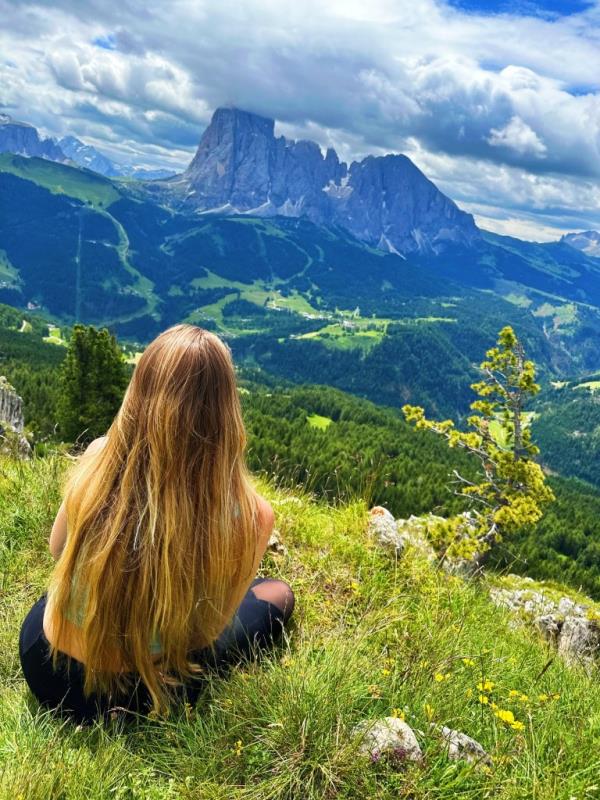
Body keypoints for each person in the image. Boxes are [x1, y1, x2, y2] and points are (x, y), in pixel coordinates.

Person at [19, 324, 295, 722]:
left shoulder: (98, 457)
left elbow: (57, 547)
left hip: (45, 665)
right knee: (276, 595)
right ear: (225, 412)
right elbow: (206, 633)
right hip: (135, 698)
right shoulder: (252, 516)